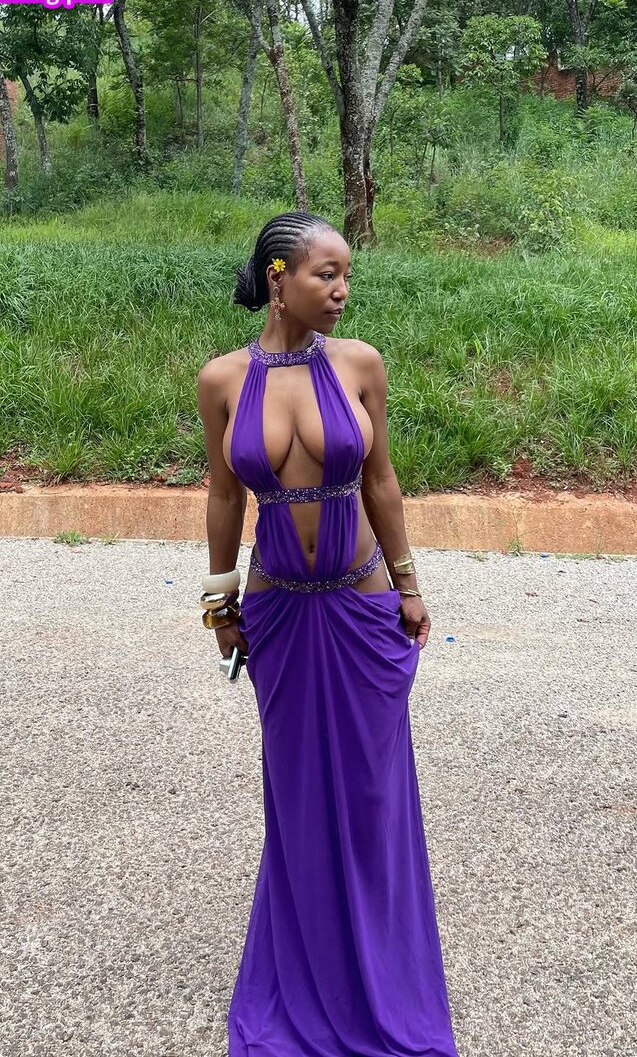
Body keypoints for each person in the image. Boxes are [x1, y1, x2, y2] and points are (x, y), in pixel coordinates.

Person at [197, 211, 460, 1056]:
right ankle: (307, 977)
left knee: (375, 797)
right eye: (327, 274)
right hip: (278, 613)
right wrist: (219, 604)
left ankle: (384, 981)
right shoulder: (222, 379)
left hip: (361, 606)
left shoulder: (359, 364)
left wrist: (410, 587)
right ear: (279, 278)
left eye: (347, 275)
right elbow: (224, 497)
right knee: (298, 797)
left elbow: (381, 482)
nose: (343, 290)